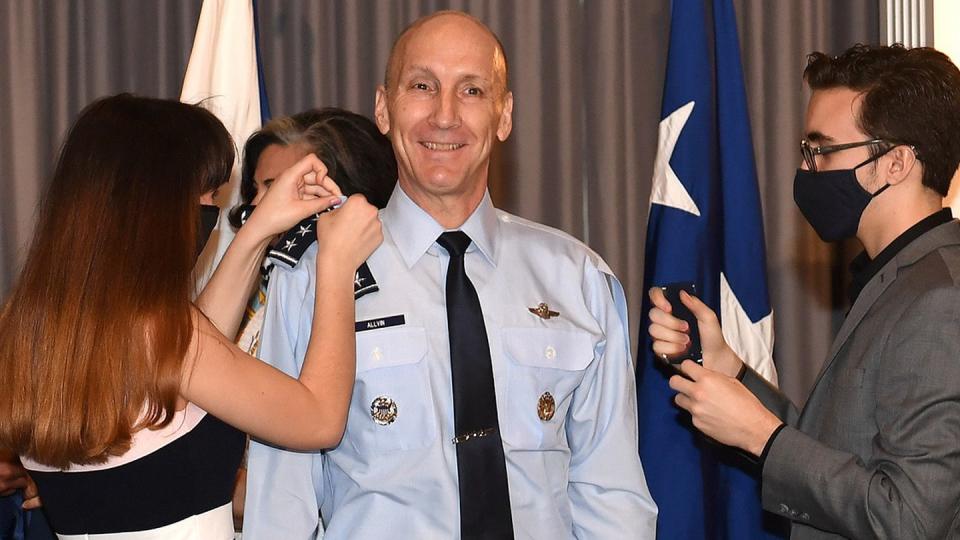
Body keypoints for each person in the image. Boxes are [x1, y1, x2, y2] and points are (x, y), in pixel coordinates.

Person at [243, 10, 657, 539]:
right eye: (422, 86)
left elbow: (611, 494)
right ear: (383, 108)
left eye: (472, 91)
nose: (444, 116)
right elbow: (282, 501)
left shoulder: (577, 280)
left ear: (504, 115)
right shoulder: (316, 275)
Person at [0, 93, 382, 538]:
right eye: (205, 194)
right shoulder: (163, 334)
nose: (212, 210)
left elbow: (192, 364)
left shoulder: (29, 326)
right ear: (157, 206)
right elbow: (319, 419)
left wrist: (259, 229)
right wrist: (337, 266)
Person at [648, 44, 960, 539]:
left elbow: (911, 519)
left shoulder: (941, 300)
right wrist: (732, 373)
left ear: (897, 162)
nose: (808, 169)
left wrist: (761, 437)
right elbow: (841, 452)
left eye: (822, 150)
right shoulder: (897, 277)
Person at [225, 108, 397, 530]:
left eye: (292, 184)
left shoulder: (371, 295)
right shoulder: (251, 297)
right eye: (261, 187)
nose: (266, 202)